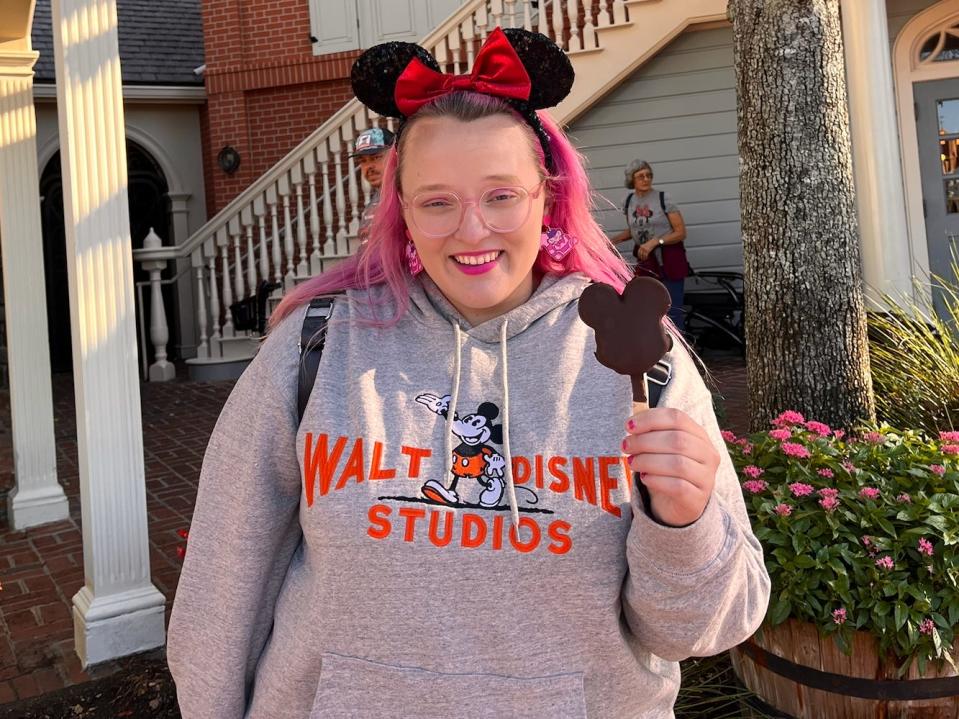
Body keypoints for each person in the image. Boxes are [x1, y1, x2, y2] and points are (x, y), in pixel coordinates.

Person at [167, 27, 769, 719]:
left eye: (500, 195)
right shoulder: (318, 345)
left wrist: (683, 520)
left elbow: (701, 631)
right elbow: (222, 582)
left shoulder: (636, 358)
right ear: (404, 212)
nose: (472, 229)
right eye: (437, 201)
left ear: (546, 196)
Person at [610, 160, 689, 331]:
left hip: (668, 259)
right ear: (632, 179)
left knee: (672, 308)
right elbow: (634, 229)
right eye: (641, 176)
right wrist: (610, 241)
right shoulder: (629, 201)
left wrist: (655, 241)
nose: (646, 179)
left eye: (649, 175)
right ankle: (655, 349)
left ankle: (681, 351)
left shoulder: (663, 198)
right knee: (649, 307)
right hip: (647, 261)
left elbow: (680, 232)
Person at [351, 126, 395, 242]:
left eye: (376, 157)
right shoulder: (373, 204)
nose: (369, 166)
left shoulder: (405, 200)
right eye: (363, 161)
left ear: (395, 156)